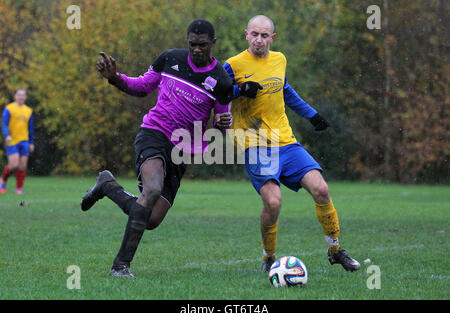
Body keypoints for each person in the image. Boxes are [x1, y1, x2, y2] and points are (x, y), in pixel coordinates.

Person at [81, 19, 260, 278]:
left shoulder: (221, 79)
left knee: (151, 220)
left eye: (202, 45)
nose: (197, 49)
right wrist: (115, 79)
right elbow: (141, 87)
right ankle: (120, 266)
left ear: (213, 43)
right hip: (154, 133)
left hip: (183, 150)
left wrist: (222, 124)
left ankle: (108, 186)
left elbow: (221, 122)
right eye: (192, 44)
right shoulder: (169, 60)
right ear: (187, 41)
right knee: (152, 190)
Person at [223, 15, 360, 272]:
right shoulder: (233, 65)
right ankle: (269, 258)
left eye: (265, 36)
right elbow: (216, 92)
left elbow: (286, 90)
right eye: (254, 34)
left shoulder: (280, 59)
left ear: (272, 38)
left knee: (321, 189)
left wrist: (313, 115)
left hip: (285, 141)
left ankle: (335, 250)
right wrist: (239, 91)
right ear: (246, 34)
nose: (259, 40)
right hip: (254, 143)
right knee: (273, 202)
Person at [1, 88, 35, 194]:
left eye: (23, 95)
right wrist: (7, 135)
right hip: (12, 140)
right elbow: (4, 124)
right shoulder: (9, 108)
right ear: (15, 96)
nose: (21, 97)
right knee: (14, 164)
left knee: (22, 166)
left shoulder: (28, 110)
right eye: (19, 95)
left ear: (25, 97)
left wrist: (31, 142)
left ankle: (19, 188)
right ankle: (3, 181)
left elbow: (30, 128)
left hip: (24, 141)